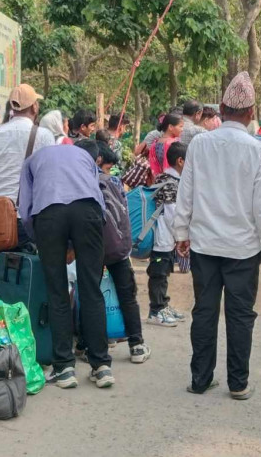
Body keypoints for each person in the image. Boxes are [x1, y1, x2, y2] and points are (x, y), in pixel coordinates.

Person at [174, 71, 261, 401]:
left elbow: (186, 191)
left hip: (205, 245)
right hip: (243, 249)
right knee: (240, 315)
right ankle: (238, 383)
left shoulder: (199, 145)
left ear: (221, 109)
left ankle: (200, 378)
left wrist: (180, 231)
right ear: (251, 112)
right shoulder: (259, 151)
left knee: (204, 312)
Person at [18, 140, 109, 389]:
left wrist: (40, 239)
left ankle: (64, 368)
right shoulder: (84, 156)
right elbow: (97, 197)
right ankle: (101, 365)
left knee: (57, 291)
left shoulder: (32, 161)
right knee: (91, 289)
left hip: (49, 214)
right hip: (88, 211)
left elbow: (25, 208)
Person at [0, 84, 55, 280]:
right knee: (20, 282)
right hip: (24, 219)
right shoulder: (43, 135)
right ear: (34, 107)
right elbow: (49, 177)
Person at [82, 139, 151, 364]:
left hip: (91, 248)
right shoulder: (113, 182)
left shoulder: (80, 182)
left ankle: (88, 345)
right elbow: (124, 217)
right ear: (99, 160)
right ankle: (136, 344)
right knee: (127, 296)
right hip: (117, 249)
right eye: (107, 167)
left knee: (91, 297)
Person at [145, 141, 187, 328]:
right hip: (162, 237)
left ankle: (163, 304)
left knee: (164, 272)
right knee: (159, 274)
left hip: (166, 237)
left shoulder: (167, 178)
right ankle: (156, 311)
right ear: (180, 161)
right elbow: (172, 214)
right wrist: (180, 237)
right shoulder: (170, 183)